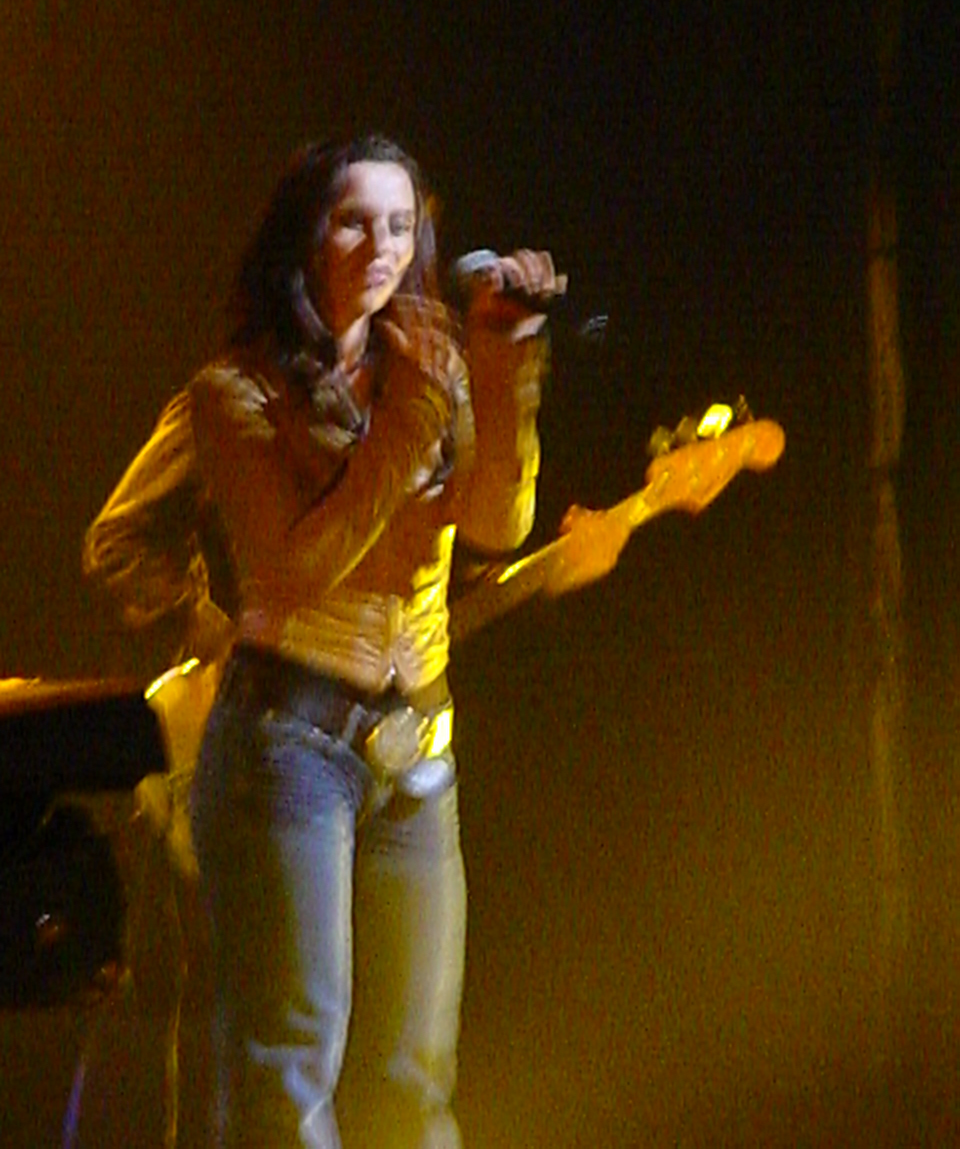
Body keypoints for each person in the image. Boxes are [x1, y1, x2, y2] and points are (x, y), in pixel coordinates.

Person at [82, 133, 631, 1148]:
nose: (381, 247)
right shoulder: (235, 391)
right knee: (289, 1069)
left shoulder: (428, 365)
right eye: (353, 222)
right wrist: (412, 422)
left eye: (400, 225)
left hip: (419, 748)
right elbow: (299, 567)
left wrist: (505, 363)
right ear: (303, 236)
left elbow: (499, 524)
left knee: (416, 1076)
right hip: (285, 747)